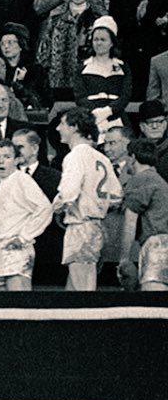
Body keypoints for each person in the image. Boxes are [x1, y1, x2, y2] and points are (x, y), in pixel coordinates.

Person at [51, 107, 123, 291]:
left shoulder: (76, 155)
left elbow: (68, 193)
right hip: (98, 225)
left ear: (74, 127)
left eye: (62, 123)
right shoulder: (102, 157)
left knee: (84, 290)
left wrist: (54, 208)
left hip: (80, 225)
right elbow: (116, 195)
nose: (58, 128)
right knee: (74, 289)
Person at [0, 140, 54, 290]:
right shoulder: (1, 182)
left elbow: (45, 208)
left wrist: (24, 237)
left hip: (16, 250)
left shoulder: (22, 179)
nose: (1, 161)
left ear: (17, 160)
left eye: (7, 157)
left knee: (18, 302)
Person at [118, 139, 168, 291]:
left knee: (153, 300)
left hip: (157, 246)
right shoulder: (160, 181)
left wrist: (124, 259)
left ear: (132, 158)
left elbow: (130, 220)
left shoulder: (140, 179)